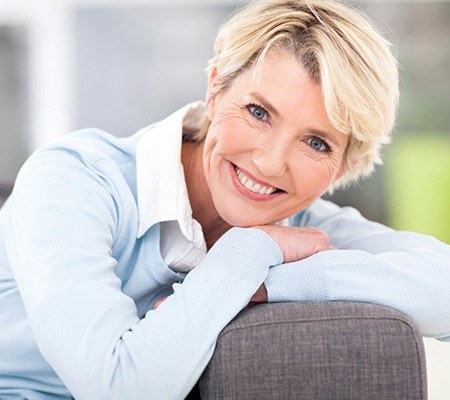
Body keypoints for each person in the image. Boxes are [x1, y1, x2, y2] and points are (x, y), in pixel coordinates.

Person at [0, 0, 449, 398]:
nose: (272, 163)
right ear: (215, 89)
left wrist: (267, 282)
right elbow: (116, 388)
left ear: (344, 168)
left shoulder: (301, 227)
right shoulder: (74, 177)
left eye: (316, 144)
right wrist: (249, 252)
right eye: (259, 113)